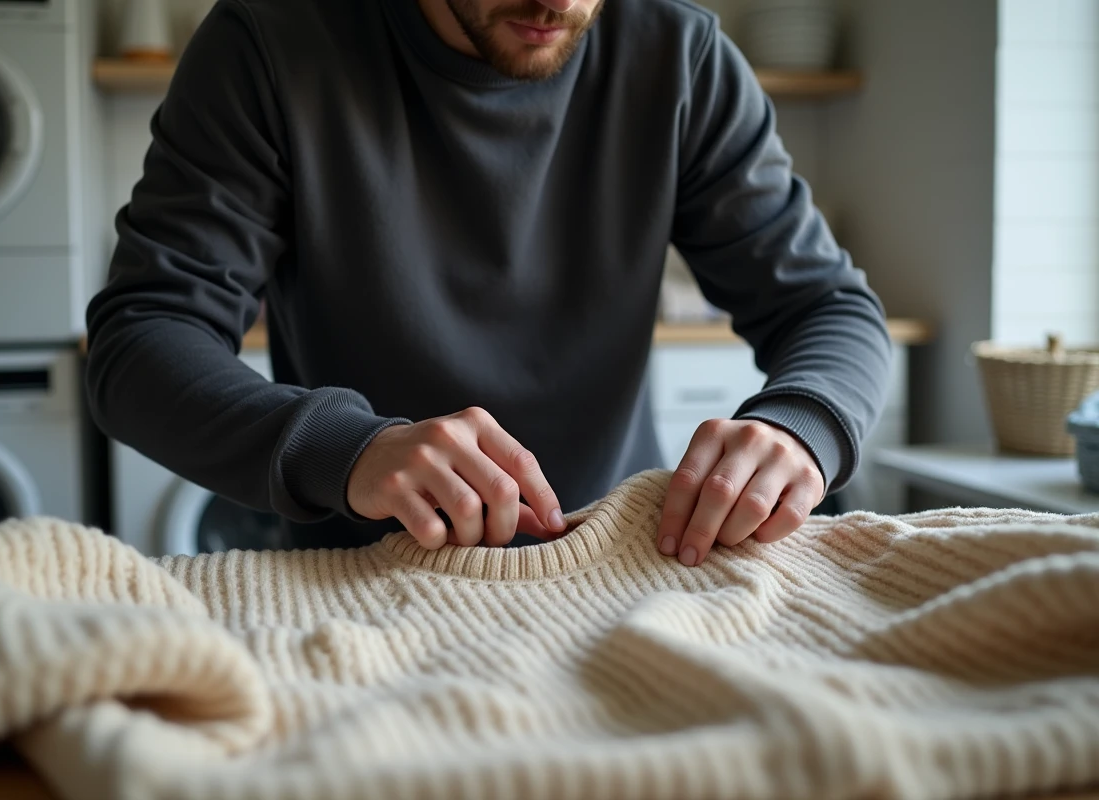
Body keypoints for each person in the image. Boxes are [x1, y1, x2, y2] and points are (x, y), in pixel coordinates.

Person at [85, 0, 892, 567]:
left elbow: (829, 307)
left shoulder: (680, 57)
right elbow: (141, 342)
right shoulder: (268, 45)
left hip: (623, 574)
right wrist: (347, 448)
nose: (558, 2)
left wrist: (801, 424)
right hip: (368, 591)